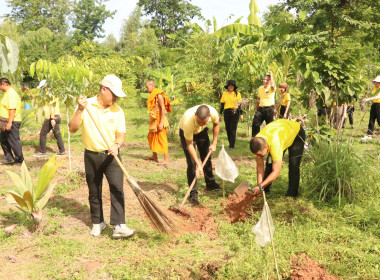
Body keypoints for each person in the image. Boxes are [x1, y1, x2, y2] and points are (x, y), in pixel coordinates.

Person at [68, 75, 134, 238]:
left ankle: (119, 225)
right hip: (91, 155)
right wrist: (80, 110)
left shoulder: (118, 111)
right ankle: (98, 223)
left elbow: (121, 135)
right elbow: (72, 128)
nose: (117, 98)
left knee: (117, 188)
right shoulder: (86, 105)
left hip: (112, 156)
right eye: (114, 94)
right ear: (104, 89)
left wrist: (117, 145)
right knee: (94, 190)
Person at [249, 119, 305, 197]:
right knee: (270, 164)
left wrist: (260, 187)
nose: (258, 157)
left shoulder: (275, 145)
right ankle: (264, 190)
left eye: (260, 155)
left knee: (294, 164)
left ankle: (292, 194)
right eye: (256, 155)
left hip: (296, 133)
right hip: (282, 132)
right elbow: (260, 168)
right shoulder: (257, 143)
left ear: (266, 147)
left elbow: (276, 171)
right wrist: (260, 188)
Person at [179, 105, 221, 205]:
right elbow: (189, 145)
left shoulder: (213, 114)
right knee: (192, 164)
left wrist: (214, 143)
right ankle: (193, 194)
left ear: (209, 116)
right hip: (187, 134)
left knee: (206, 156)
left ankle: (210, 183)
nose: (201, 123)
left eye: (204, 122)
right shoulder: (187, 122)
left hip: (202, 132)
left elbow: (216, 124)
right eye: (199, 121)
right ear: (195, 115)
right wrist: (198, 164)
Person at [33, 80, 65, 157]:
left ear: (44, 87)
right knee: (57, 134)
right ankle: (62, 151)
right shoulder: (53, 93)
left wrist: (52, 119)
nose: (41, 89)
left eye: (41, 87)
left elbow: (52, 107)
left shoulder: (49, 94)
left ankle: (42, 152)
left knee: (43, 133)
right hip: (57, 116)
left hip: (52, 116)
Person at [145, 80, 171, 165]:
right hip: (154, 119)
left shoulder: (159, 95)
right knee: (151, 136)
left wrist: (161, 123)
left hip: (160, 119)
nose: (146, 89)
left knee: (162, 138)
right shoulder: (153, 95)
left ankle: (166, 159)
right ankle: (154, 156)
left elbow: (163, 108)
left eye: (147, 87)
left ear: (152, 86)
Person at [0, 77, 24, 165]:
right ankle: (9, 157)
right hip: (5, 121)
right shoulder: (7, 93)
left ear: (3, 84)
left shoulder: (11, 94)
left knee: (14, 141)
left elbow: (12, 109)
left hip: (12, 121)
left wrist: (10, 123)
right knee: (3, 140)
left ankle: (19, 159)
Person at [219, 80, 243, 149]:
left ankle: (232, 145)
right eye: (229, 85)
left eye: (232, 86)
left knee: (233, 129)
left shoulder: (237, 93)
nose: (230, 87)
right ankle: (230, 143)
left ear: (234, 87)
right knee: (228, 128)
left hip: (235, 112)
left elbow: (240, 105)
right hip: (227, 112)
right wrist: (220, 114)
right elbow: (222, 105)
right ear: (228, 86)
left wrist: (241, 114)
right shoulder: (224, 94)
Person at [252, 71, 276, 137]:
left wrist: (271, 75)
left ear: (269, 81)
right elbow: (258, 99)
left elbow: (273, 85)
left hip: (269, 109)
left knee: (269, 125)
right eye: (264, 79)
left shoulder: (271, 88)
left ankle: (269, 139)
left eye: (267, 80)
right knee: (255, 123)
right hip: (260, 108)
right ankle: (255, 139)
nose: (264, 81)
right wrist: (256, 108)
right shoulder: (260, 88)